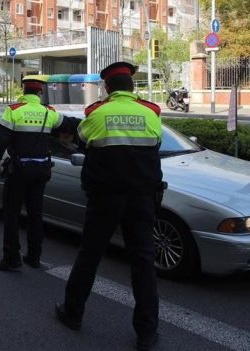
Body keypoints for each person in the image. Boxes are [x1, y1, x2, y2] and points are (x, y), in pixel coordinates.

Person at [55, 62, 164, 351]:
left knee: (90, 255)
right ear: (132, 87)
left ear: (107, 88)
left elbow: (82, 140)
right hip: (142, 199)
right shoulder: (151, 114)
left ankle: (72, 312)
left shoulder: (97, 113)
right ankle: (146, 334)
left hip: (105, 199)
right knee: (143, 262)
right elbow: (155, 144)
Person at [0, 78, 70, 271]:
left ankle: (12, 259)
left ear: (23, 91)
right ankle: (34, 256)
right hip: (41, 171)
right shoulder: (48, 112)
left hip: (18, 171)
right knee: (35, 214)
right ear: (40, 93)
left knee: (12, 215)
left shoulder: (14, 110)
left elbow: (1, 142)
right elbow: (68, 125)